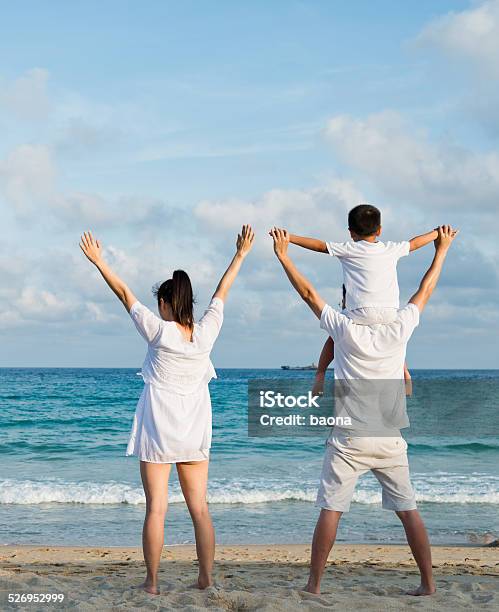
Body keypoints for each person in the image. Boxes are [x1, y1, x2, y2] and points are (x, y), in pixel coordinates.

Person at [270, 224, 458, 596]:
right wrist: (442, 249)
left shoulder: (344, 330)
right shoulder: (399, 328)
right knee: (409, 512)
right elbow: (426, 289)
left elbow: (309, 294)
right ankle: (428, 584)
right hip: (389, 436)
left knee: (331, 511)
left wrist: (284, 256)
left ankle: (314, 586)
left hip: (350, 438)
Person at [79, 225, 255, 595]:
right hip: (193, 432)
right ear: (189, 304)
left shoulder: (159, 332)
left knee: (156, 509)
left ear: (163, 304)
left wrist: (99, 261)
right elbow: (223, 292)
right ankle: (205, 578)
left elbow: (123, 292)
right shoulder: (206, 332)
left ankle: (153, 582)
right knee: (200, 510)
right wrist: (239, 254)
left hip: (158, 432)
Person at [283, 204, 439, 396]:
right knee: (395, 342)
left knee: (334, 337)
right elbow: (414, 243)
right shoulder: (392, 249)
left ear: (351, 232)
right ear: (379, 230)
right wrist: (436, 233)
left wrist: (289, 238)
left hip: (359, 313)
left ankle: (320, 375)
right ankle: (405, 373)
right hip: (389, 312)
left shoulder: (348, 249)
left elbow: (320, 246)